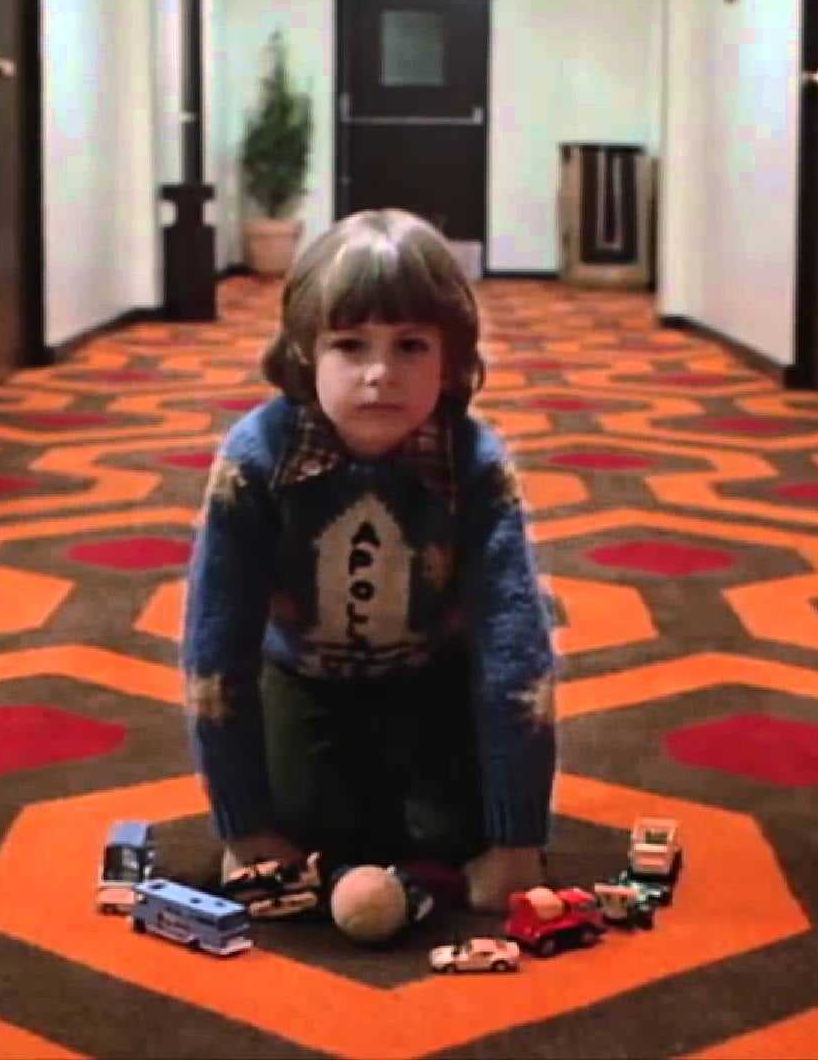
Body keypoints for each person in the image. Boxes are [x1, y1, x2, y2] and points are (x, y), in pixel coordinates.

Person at [180, 208, 556, 912]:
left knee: (455, 831)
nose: (381, 374)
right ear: (304, 354)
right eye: (350, 345)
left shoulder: (477, 465)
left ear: (451, 359)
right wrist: (246, 828)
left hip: (433, 676)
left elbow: (516, 656)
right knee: (316, 830)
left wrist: (516, 839)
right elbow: (215, 651)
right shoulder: (254, 463)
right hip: (304, 677)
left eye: (411, 345)